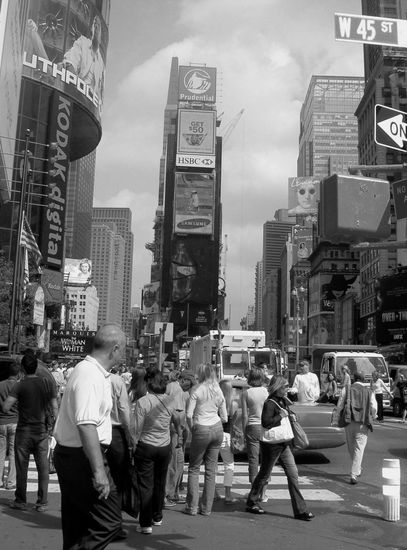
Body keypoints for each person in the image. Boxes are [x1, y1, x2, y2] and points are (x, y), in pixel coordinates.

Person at [53, 324, 127, 549]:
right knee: (110, 521)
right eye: (124, 348)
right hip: (81, 458)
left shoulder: (92, 372)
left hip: (75, 455)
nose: (124, 354)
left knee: (77, 523)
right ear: (114, 349)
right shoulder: (90, 374)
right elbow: (86, 425)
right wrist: (98, 471)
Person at [246, 375, 314, 521]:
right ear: (278, 387)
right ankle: (252, 502)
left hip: (284, 442)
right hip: (272, 444)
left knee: (293, 474)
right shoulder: (270, 403)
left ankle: (300, 510)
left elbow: (286, 414)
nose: (287, 388)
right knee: (264, 474)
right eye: (285, 386)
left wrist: (290, 415)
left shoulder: (282, 400)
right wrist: (280, 416)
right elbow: (265, 422)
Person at [2, 354, 58, 512]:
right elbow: (54, 406)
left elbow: (6, 407)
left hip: (24, 431)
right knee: (43, 468)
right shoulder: (46, 383)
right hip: (41, 431)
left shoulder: (20, 385)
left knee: (22, 468)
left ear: (23, 368)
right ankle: (42, 502)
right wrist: (53, 424)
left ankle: (20, 500)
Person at [133, 368, 181, 535]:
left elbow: (136, 429)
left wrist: (132, 446)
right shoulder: (170, 400)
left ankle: (145, 523)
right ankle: (157, 515)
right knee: (160, 481)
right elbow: (176, 420)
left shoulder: (143, 402)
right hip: (164, 445)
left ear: (148, 383)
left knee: (146, 485)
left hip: (146, 444)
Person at [184, 363, 227, 516]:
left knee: (194, 468)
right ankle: (206, 508)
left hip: (201, 427)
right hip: (217, 428)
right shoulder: (218, 390)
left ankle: (192, 507)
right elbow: (225, 417)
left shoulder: (197, 390)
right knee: (211, 470)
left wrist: (192, 427)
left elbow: (188, 415)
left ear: (201, 375)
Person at [334, 372, 377, 485]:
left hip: (349, 420)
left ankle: (356, 469)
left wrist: (337, 417)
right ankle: (354, 473)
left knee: (351, 447)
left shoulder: (347, 389)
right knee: (359, 448)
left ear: (353, 378)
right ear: (363, 380)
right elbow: (374, 406)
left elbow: (340, 404)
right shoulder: (369, 391)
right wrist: (374, 416)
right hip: (363, 422)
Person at [106, 371, 134, 539]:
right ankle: (115, 524)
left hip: (94, 430)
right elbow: (123, 408)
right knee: (117, 479)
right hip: (115, 431)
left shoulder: (89, 376)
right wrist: (129, 434)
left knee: (97, 475)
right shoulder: (117, 381)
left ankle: (97, 519)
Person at [62, 15, 105, 106]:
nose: (96, 27)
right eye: (95, 24)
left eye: (99, 26)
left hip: (89, 106)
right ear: (91, 30)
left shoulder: (101, 62)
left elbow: (100, 92)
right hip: (76, 94)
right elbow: (70, 62)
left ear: (101, 34)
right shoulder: (83, 42)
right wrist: (74, 88)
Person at [241, 368, 269, 497]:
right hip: (265, 426)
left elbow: (245, 415)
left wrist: (243, 430)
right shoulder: (266, 392)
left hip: (252, 426)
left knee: (253, 460)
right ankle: (263, 493)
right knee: (266, 460)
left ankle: (254, 491)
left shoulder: (246, 393)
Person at [164, 370, 187, 507]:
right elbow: (177, 415)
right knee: (175, 463)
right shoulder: (176, 388)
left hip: (172, 429)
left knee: (177, 462)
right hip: (174, 430)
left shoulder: (171, 387)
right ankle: (169, 494)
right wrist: (179, 433)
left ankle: (172, 493)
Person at [216, 379, 238, 503]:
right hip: (227, 435)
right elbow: (234, 421)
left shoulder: (216, 402)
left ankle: (213, 492)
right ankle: (228, 494)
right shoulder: (233, 404)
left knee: (212, 465)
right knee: (229, 465)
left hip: (215, 433)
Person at [0, 361, 21, 490]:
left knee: (0, 452)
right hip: (15, 421)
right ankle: (11, 482)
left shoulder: (0, 385)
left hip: (1, 422)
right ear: (18, 373)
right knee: (13, 453)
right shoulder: (19, 387)